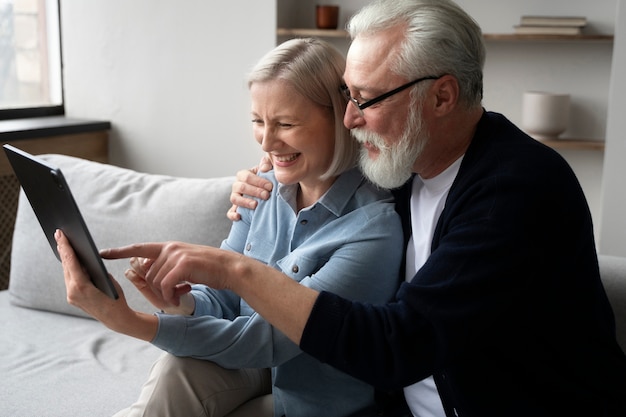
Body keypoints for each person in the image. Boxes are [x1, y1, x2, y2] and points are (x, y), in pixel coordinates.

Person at [91, 0, 626, 415]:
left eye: (366, 99)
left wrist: (235, 271)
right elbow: (315, 174)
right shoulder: (403, 168)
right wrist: (261, 176)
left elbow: (399, 345)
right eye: (347, 95)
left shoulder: (517, 190)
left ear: (441, 97)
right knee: (182, 377)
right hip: (397, 403)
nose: (349, 118)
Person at [56, 37, 405, 417]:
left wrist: (132, 323)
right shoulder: (262, 189)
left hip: (309, 402)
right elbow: (226, 303)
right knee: (178, 370)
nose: (268, 142)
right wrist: (181, 300)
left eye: (285, 123)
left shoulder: (372, 230)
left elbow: (266, 341)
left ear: (341, 116)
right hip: (256, 373)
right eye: (258, 121)